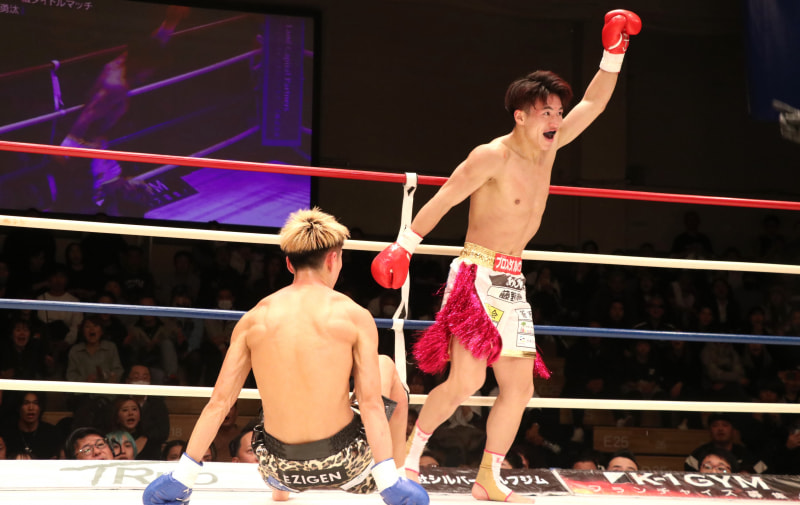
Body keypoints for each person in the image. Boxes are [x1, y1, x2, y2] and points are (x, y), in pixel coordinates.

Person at [372, 10, 641, 503]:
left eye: (558, 113)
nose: (556, 120)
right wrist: (403, 245)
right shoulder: (491, 155)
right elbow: (445, 198)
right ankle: (409, 458)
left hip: (512, 280)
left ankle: (488, 478)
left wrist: (613, 53)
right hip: (475, 273)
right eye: (546, 113)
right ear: (521, 116)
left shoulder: (551, 147)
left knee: (520, 388)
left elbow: (595, 103)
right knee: (466, 381)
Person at [143, 208, 427, 505]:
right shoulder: (354, 315)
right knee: (385, 365)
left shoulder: (254, 319)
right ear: (333, 259)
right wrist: (387, 482)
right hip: (347, 465)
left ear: (289, 263)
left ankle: (282, 490)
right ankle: (395, 477)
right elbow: (370, 404)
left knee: (281, 387)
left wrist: (183, 477)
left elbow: (220, 403)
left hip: (276, 467)